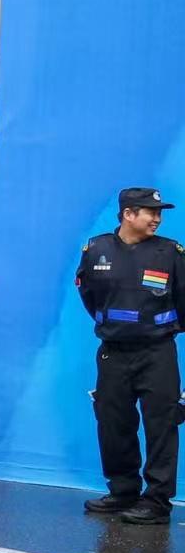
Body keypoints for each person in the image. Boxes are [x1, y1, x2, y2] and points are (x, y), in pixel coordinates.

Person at [76, 189, 184, 525]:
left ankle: (156, 501)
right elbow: (89, 295)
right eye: (150, 212)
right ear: (127, 214)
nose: (157, 218)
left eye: (159, 213)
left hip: (157, 352)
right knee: (113, 424)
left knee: (161, 427)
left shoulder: (171, 252)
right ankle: (123, 490)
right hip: (113, 354)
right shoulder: (96, 250)